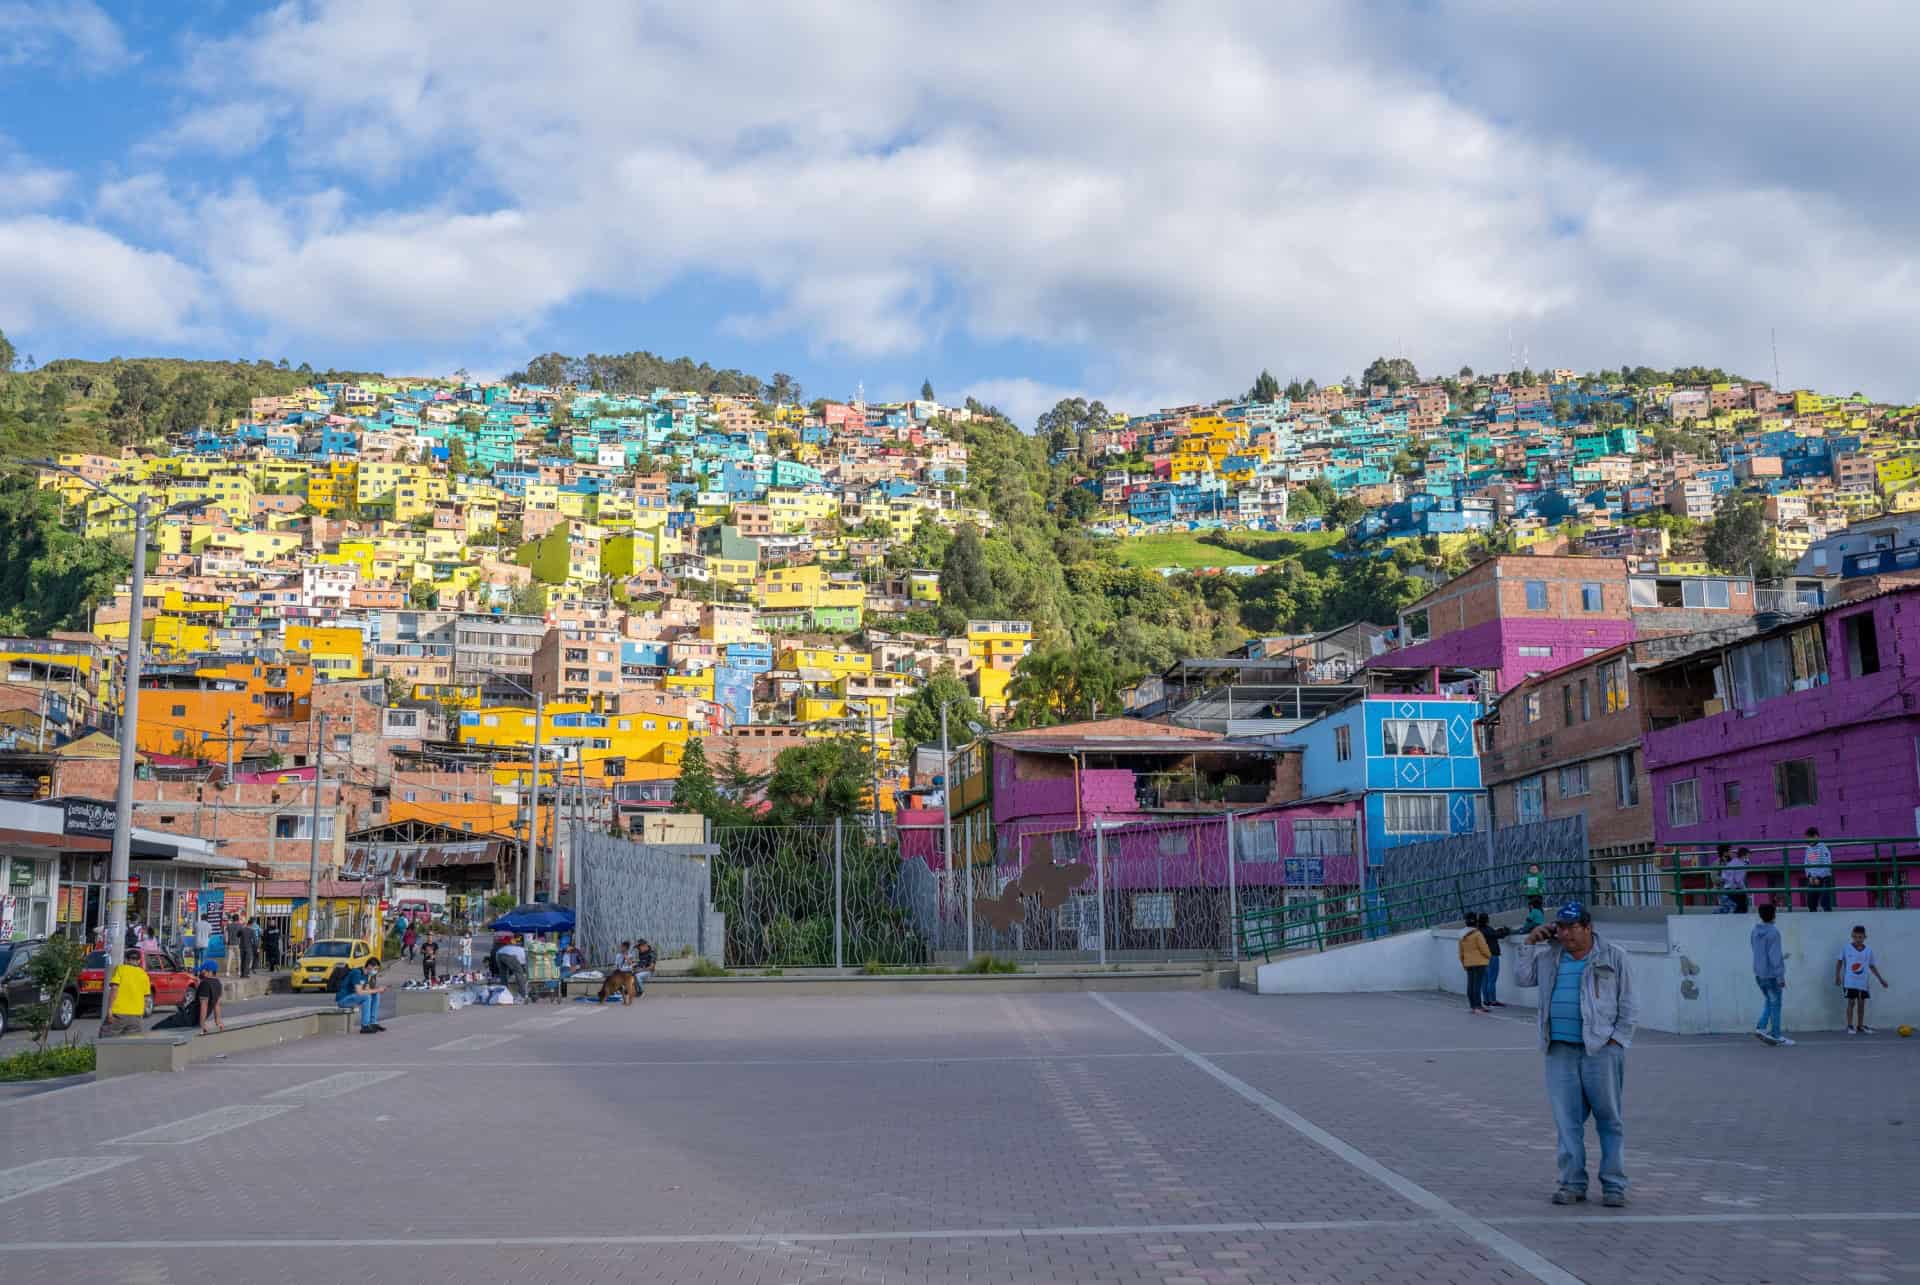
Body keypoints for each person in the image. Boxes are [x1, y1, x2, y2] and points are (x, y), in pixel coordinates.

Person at [1516, 901, 1636, 1208]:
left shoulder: (1614, 957)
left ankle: (1614, 1185)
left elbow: (1629, 1004)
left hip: (1601, 1051)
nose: (1566, 933)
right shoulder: (1549, 958)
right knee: (1567, 1121)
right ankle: (1572, 1183)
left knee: (1609, 1120)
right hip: (1560, 1050)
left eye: (1572, 927)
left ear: (1588, 927)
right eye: (1562, 927)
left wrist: (1617, 1041)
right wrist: (1529, 942)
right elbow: (1522, 978)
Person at [1836, 924, 1890, 1034]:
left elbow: (1872, 966)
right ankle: (1850, 1026)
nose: (1858, 939)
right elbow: (1839, 961)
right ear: (1852, 936)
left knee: (1861, 1004)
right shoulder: (1846, 948)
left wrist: (1881, 979)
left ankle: (1860, 1026)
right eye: (1855, 937)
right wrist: (1837, 975)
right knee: (1851, 1002)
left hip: (1863, 982)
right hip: (1850, 981)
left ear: (1865, 937)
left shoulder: (1868, 951)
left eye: (1860, 937)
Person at [1751, 903, 1790, 1046]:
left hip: (1759, 974)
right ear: (1774, 915)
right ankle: (1776, 1035)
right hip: (1772, 975)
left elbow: (1756, 951)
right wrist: (1780, 976)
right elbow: (1774, 957)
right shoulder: (1773, 932)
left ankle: (1761, 1027)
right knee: (1776, 1004)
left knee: (1769, 1001)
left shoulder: (1755, 931)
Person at [100, 952, 152, 1038]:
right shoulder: (144, 974)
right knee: (130, 1046)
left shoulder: (120, 969)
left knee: (106, 1041)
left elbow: (114, 989)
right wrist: (141, 1014)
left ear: (126, 959)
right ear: (139, 961)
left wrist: (109, 1009)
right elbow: (146, 997)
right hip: (136, 1016)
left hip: (118, 1013)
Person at [335, 958, 387, 1033]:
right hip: (343, 1000)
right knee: (367, 997)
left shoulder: (366, 975)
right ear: (369, 966)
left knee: (376, 995)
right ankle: (365, 1026)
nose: (376, 971)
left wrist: (378, 989)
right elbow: (359, 992)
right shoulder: (357, 972)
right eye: (375, 969)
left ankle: (373, 1023)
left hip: (353, 998)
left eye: (377, 969)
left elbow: (367, 990)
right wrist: (377, 989)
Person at [1478, 912, 1513, 1007]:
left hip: (1482, 957)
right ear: (1487, 920)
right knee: (1492, 979)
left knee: (1484, 980)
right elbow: (1497, 935)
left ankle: (1486, 1000)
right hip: (1492, 956)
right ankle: (1493, 1000)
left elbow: (1494, 933)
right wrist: (1506, 930)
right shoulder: (1487, 929)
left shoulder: (1478, 930)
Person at [1458, 915, 1490, 1014]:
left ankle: (1472, 1006)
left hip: (1468, 963)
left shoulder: (1462, 936)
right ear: (1475, 923)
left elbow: (1460, 952)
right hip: (1479, 962)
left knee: (1470, 984)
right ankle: (1478, 1006)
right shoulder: (1477, 934)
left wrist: (1463, 963)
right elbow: (1484, 948)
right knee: (1477, 985)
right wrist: (1488, 956)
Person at [1804, 827, 1834, 913]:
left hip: (1824, 878)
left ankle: (1828, 918)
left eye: (1810, 837)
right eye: (1807, 838)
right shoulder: (1808, 849)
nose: (1808, 840)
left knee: (1825, 902)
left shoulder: (1823, 848)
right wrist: (1809, 876)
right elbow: (1806, 864)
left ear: (1816, 836)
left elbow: (1827, 864)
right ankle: (1813, 918)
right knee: (1810, 902)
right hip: (1812, 879)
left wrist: (1819, 877)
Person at [196, 962, 226, 1035]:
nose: (200, 972)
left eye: (203, 971)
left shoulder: (205, 984)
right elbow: (217, 1004)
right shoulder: (218, 983)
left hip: (190, 1018)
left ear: (209, 972)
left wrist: (202, 1024)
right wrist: (218, 1021)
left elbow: (204, 1005)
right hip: (196, 1018)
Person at [1718, 846, 1749, 915]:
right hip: (1736, 891)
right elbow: (1738, 880)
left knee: (1732, 912)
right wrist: (1745, 889)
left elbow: (1724, 876)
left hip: (1727, 890)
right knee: (1741, 913)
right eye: (1747, 856)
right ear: (1744, 855)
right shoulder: (1742, 864)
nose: (1748, 858)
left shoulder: (1730, 862)